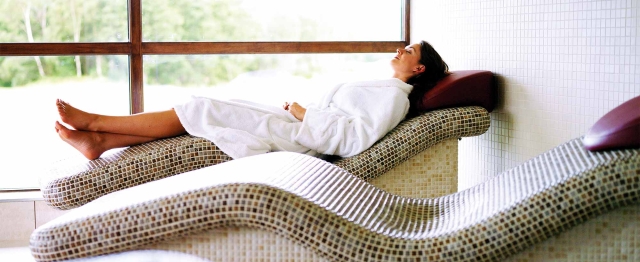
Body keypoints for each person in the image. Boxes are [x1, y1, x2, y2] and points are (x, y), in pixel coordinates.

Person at [55, 41, 449, 161]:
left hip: (304, 138)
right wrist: (302, 113)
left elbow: (352, 140)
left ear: (419, 69)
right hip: (301, 127)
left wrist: (304, 113)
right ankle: (102, 142)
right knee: (209, 110)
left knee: (202, 108)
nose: (401, 49)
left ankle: (95, 124)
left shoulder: (395, 100)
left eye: (409, 50)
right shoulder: (386, 89)